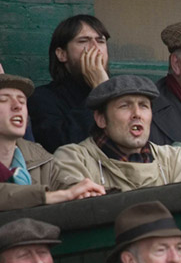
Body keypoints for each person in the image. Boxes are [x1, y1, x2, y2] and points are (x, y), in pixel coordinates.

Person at [51, 75, 181, 192]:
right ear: (101, 119)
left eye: (144, 106)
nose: (137, 114)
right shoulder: (74, 159)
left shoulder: (173, 160)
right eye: (125, 106)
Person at [0, 73, 104, 209]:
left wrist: (83, 192)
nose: (17, 106)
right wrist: (50, 196)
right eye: (3, 100)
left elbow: (66, 185)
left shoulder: (41, 157)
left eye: (22, 101)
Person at [27, 15, 111, 152]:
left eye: (101, 41)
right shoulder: (42, 98)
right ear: (62, 54)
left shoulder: (124, 93)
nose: (96, 48)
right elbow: (62, 145)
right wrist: (99, 91)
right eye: (84, 41)